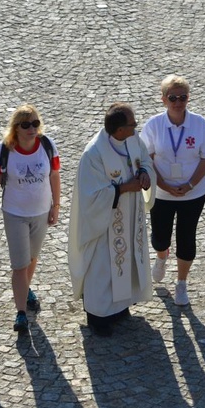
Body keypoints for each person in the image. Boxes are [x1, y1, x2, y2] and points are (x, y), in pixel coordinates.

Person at [68, 103, 156, 337]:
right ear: (118, 130)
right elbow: (92, 195)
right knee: (104, 265)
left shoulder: (133, 139)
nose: (136, 127)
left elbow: (145, 159)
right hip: (105, 221)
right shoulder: (93, 155)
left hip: (130, 215)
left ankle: (118, 308)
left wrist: (145, 173)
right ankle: (97, 317)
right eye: (132, 124)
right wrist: (126, 187)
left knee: (126, 259)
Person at [0, 105, 61, 333]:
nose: (31, 129)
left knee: (32, 258)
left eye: (35, 123)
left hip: (40, 212)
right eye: (26, 125)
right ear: (15, 128)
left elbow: (55, 176)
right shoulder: (4, 149)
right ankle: (20, 313)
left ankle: (25, 290)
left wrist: (56, 206)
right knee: (19, 265)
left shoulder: (47, 145)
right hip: (15, 213)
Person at [140, 75, 205, 306]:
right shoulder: (153, 125)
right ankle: (162, 257)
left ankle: (182, 283)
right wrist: (163, 184)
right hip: (162, 192)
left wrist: (190, 184)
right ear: (163, 99)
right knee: (160, 238)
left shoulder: (199, 123)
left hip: (193, 191)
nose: (178, 102)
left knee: (186, 236)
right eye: (173, 97)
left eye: (182, 97)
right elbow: (146, 159)